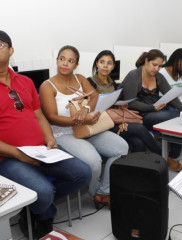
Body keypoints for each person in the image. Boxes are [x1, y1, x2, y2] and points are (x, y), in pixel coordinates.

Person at [0, 30, 91, 238]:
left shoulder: (25, 81)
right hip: (8, 156)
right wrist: (19, 154)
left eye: (0, 45)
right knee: (44, 191)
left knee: (82, 173)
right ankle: (43, 213)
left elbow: (39, 115)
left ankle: (33, 205)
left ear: (11, 50)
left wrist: (49, 138)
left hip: (41, 149)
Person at [39, 45, 129, 209]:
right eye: (62, 59)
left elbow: (95, 95)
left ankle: (103, 191)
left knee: (122, 147)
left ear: (76, 64)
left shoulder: (80, 78)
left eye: (70, 60)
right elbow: (52, 118)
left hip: (88, 128)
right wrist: (78, 120)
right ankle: (96, 193)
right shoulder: (47, 86)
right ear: (57, 60)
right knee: (94, 161)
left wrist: (85, 110)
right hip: (64, 133)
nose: (65, 63)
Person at [119, 49, 182, 172]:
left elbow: (171, 95)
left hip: (154, 111)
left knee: (179, 116)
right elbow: (130, 103)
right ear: (146, 61)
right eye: (154, 65)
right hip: (140, 114)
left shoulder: (158, 77)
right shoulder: (134, 75)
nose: (156, 69)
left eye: (160, 66)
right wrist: (152, 108)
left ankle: (172, 155)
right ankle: (167, 157)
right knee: (176, 116)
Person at [87, 50, 161, 155]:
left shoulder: (114, 84)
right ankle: (160, 155)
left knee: (139, 143)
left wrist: (122, 104)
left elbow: (118, 104)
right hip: (101, 124)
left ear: (113, 66)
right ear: (96, 64)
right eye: (102, 62)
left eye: (109, 63)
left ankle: (135, 169)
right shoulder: (89, 82)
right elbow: (89, 105)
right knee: (139, 127)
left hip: (116, 121)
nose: (105, 66)